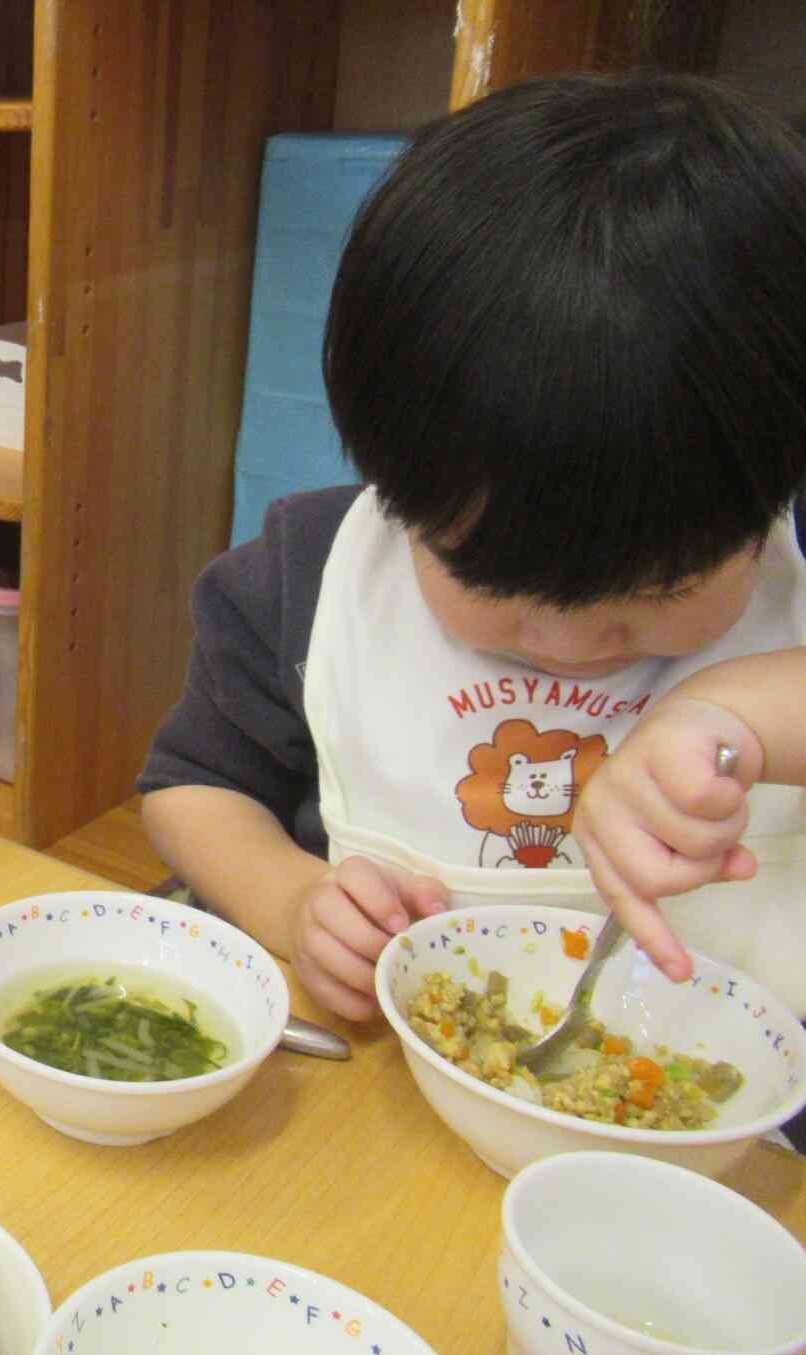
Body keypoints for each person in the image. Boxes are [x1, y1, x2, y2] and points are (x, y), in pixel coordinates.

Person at [135, 72, 806, 1044]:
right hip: (382, 1075)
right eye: (490, 580)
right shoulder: (311, 576)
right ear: (393, 482)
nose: (567, 643)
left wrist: (734, 715)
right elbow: (192, 787)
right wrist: (289, 899)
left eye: (660, 589)